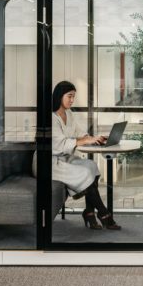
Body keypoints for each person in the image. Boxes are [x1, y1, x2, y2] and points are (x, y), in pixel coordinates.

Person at [52, 80, 121, 230]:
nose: (72, 100)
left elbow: (79, 133)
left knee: (92, 166)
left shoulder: (68, 114)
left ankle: (89, 212)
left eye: (73, 97)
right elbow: (59, 145)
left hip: (66, 158)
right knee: (85, 172)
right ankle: (104, 214)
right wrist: (84, 140)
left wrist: (94, 138)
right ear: (59, 96)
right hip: (51, 162)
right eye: (69, 96)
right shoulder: (52, 117)